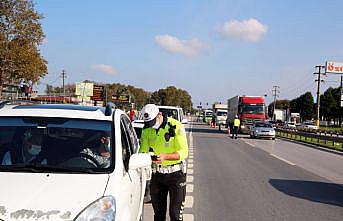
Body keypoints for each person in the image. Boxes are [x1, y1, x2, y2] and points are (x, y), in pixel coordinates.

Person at [140, 104, 189, 221]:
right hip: (157, 175)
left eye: (152, 122)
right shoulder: (146, 129)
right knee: (158, 214)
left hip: (176, 175)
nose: (151, 126)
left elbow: (183, 152)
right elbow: (143, 150)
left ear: (160, 115)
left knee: (175, 215)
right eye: (148, 123)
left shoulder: (176, 126)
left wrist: (166, 157)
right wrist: (145, 158)